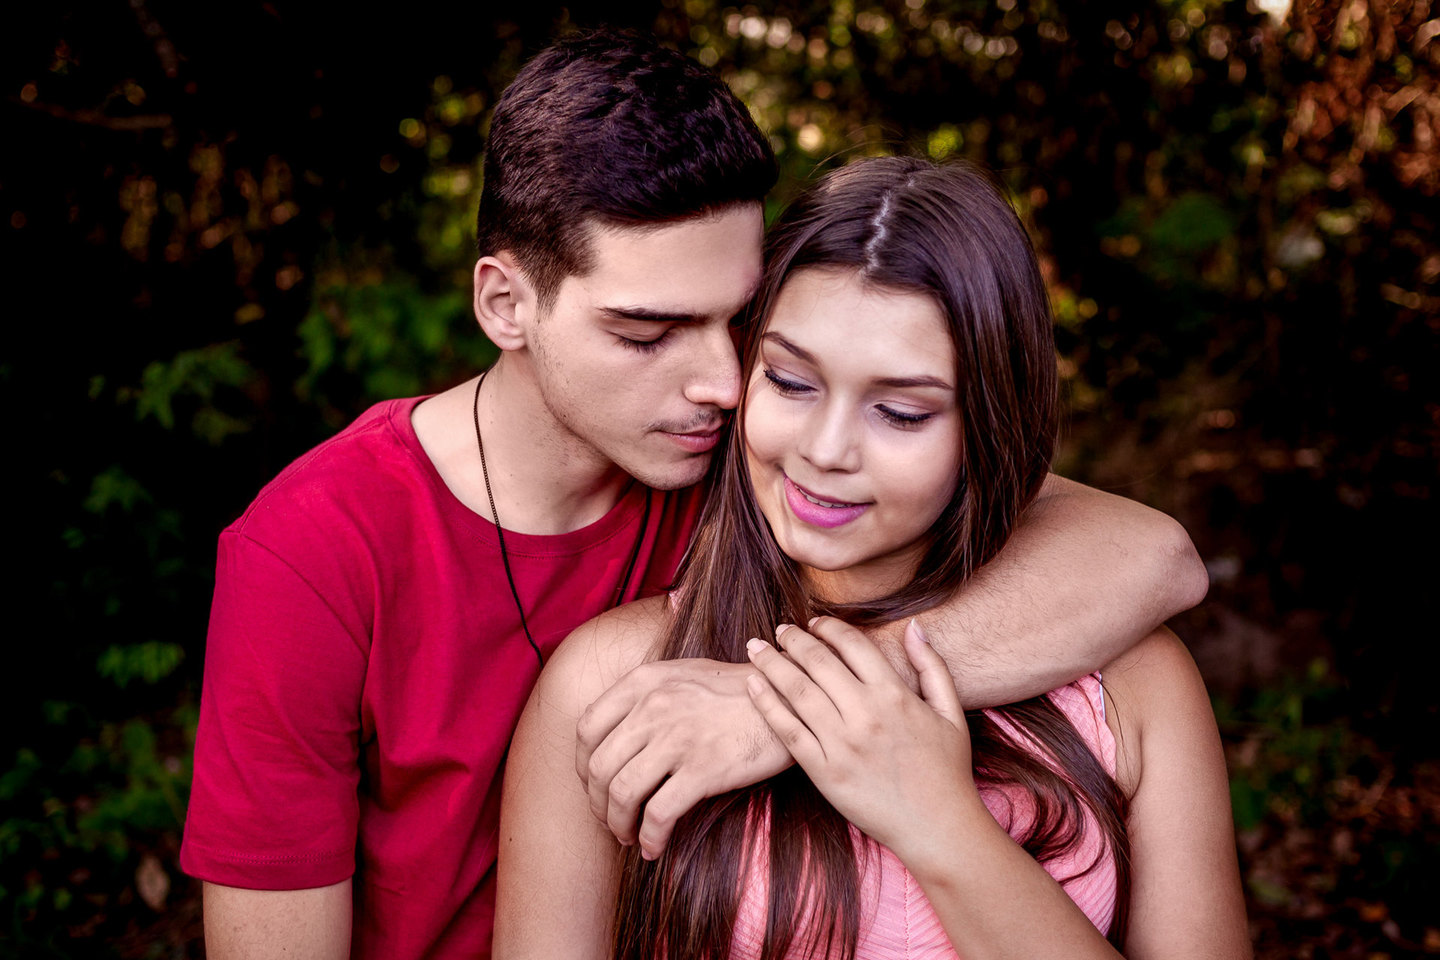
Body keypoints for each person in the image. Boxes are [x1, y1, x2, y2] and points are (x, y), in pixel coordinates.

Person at [181, 30, 1208, 960]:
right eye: (646, 334)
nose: (721, 381)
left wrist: (787, 710)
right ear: (506, 303)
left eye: (739, 327)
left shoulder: (765, 456)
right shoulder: (313, 554)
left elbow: (1149, 553)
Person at [494, 156, 1248, 958]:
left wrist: (937, 820)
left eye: (899, 412)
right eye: (790, 381)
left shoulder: (1130, 685)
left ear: (988, 426)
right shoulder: (616, 684)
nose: (824, 451)